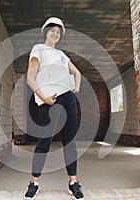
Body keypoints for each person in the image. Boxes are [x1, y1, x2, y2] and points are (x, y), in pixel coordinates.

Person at [24, 17, 84, 200]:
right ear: (46, 31)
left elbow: (77, 72)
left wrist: (77, 86)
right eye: (53, 30)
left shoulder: (61, 55)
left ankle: (73, 183)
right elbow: (30, 79)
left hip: (68, 98)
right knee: (44, 143)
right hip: (50, 99)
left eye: (59, 32)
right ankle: (34, 183)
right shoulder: (38, 49)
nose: (56, 33)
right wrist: (44, 98)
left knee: (70, 141)